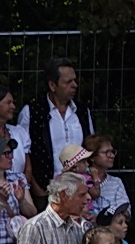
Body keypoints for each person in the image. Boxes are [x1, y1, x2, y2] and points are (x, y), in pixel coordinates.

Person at [17, 57, 94, 198]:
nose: (75, 85)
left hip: (79, 192)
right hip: (46, 191)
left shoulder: (82, 112)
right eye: (68, 82)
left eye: (74, 80)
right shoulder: (32, 112)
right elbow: (23, 155)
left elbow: (91, 148)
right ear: (53, 85)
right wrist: (36, 189)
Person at [16, 172, 90, 244]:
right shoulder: (35, 227)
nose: (86, 200)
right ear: (63, 195)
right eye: (81, 195)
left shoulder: (77, 230)